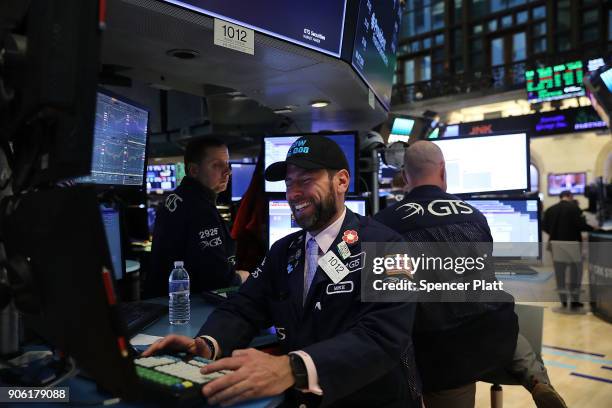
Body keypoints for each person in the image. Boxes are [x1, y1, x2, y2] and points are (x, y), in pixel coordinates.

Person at [143, 135, 419, 407]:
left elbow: (383, 336)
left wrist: (293, 368)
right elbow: (244, 307)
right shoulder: (284, 251)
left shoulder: (387, 247)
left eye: (306, 180)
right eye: (289, 182)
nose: (293, 193)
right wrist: (208, 344)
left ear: (342, 181)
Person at [374, 141, 566, 408]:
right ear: (443, 172)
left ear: (405, 176)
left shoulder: (384, 224)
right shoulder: (475, 216)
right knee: (503, 323)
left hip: (441, 351)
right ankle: (537, 379)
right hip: (493, 329)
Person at [147, 137, 249, 297]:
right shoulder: (201, 211)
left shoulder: (175, 197)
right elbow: (219, 280)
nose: (227, 171)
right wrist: (244, 276)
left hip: (163, 302)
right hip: (188, 308)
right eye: (217, 165)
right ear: (194, 170)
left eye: (227, 164)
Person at [543, 190, 595, 309]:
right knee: (575, 273)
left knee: (559, 274)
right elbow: (581, 225)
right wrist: (594, 228)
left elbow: (544, 226)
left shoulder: (550, 210)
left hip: (556, 246)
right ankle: (575, 301)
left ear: (560, 197)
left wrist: (554, 233)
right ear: (570, 196)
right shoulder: (574, 208)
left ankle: (563, 301)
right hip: (573, 246)